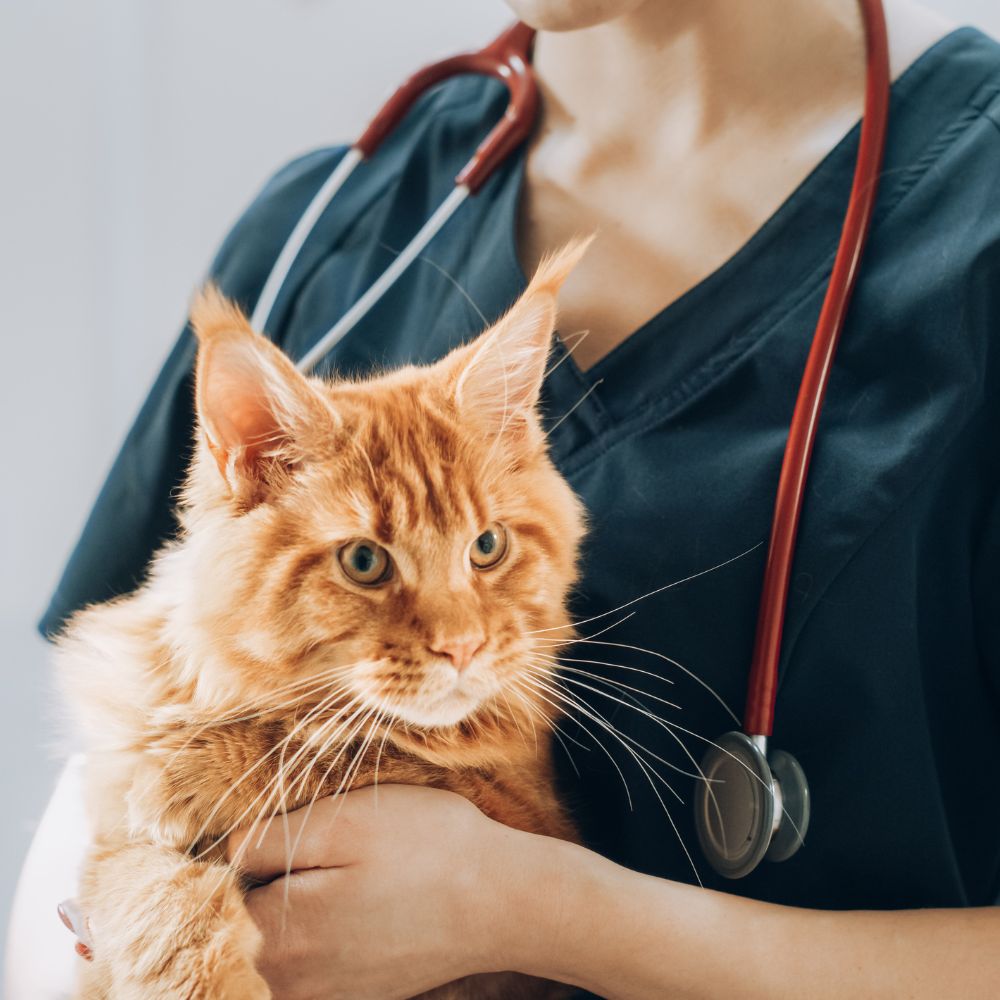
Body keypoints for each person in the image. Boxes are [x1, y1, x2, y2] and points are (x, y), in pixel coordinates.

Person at [8, 0, 1000, 996]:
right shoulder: (328, 222)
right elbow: (96, 819)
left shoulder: (973, 217)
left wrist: (534, 912)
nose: (447, 630)